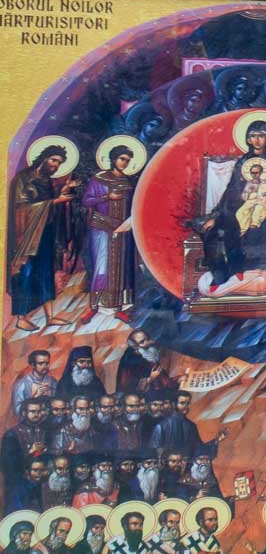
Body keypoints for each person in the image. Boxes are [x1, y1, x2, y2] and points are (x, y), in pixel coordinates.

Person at [194, 120, 266, 288]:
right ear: (248, 140)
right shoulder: (243, 161)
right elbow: (232, 191)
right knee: (216, 229)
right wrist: (216, 215)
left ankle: (263, 277)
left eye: (261, 136)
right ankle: (224, 273)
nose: (257, 140)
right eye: (252, 136)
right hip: (241, 208)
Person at [8, 146, 79, 329]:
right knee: (26, 272)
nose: (55, 165)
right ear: (44, 157)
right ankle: (21, 318)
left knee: (46, 272)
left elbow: (50, 204)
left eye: (59, 163)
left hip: (45, 232)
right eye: (53, 160)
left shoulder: (47, 181)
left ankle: (50, 316)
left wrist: (62, 192)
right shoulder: (23, 179)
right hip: (26, 236)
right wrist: (55, 201)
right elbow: (21, 208)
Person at [81, 144, 141, 315]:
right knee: (102, 265)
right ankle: (96, 305)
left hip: (122, 229)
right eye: (122, 159)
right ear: (114, 158)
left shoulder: (128, 181)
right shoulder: (99, 179)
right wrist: (107, 196)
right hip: (102, 227)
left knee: (122, 267)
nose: (125, 163)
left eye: (128, 161)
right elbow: (87, 201)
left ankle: (119, 307)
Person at [115, 332, 170, 401]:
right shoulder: (130, 362)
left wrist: (175, 381)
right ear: (135, 346)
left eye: (147, 339)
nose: (147, 342)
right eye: (142, 342)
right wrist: (150, 379)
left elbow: (162, 378)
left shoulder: (149, 353)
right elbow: (128, 387)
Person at [8, 354, 52, 425]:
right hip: (28, 425)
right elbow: (17, 411)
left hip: (49, 425)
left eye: (47, 363)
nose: (44, 366)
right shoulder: (22, 384)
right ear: (32, 365)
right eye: (40, 363)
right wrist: (34, 397)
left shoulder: (53, 382)